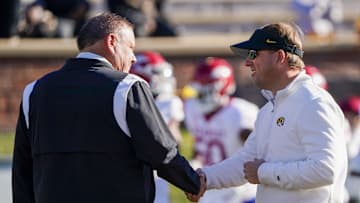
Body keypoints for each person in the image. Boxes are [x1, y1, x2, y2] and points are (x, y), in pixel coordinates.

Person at [12, 13, 205, 203]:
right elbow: (161, 152)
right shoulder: (127, 86)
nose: (133, 58)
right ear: (112, 41)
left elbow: (22, 168)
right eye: (130, 48)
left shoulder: (34, 90)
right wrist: (193, 183)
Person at [186, 22, 348, 203]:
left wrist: (264, 172)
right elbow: (246, 163)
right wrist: (204, 179)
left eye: (254, 54)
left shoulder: (313, 103)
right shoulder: (270, 109)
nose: (247, 62)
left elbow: (325, 170)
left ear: (279, 57)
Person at [184, 57, 259, 203]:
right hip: (210, 190)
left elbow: (259, 149)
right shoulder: (192, 109)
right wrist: (195, 161)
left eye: (203, 91)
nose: (199, 97)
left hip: (240, 193)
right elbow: (200, 145)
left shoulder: (240, 113)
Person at [130, 51, 185, 203]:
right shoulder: (169, 103)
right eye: (156, 73)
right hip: (153, 172)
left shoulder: (124, 99)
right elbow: (175, 142)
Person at [340, 96, 360, 203]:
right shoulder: (342, 130)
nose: (353, 118)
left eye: (355, 115)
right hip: (344, 187)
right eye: (349, 114)